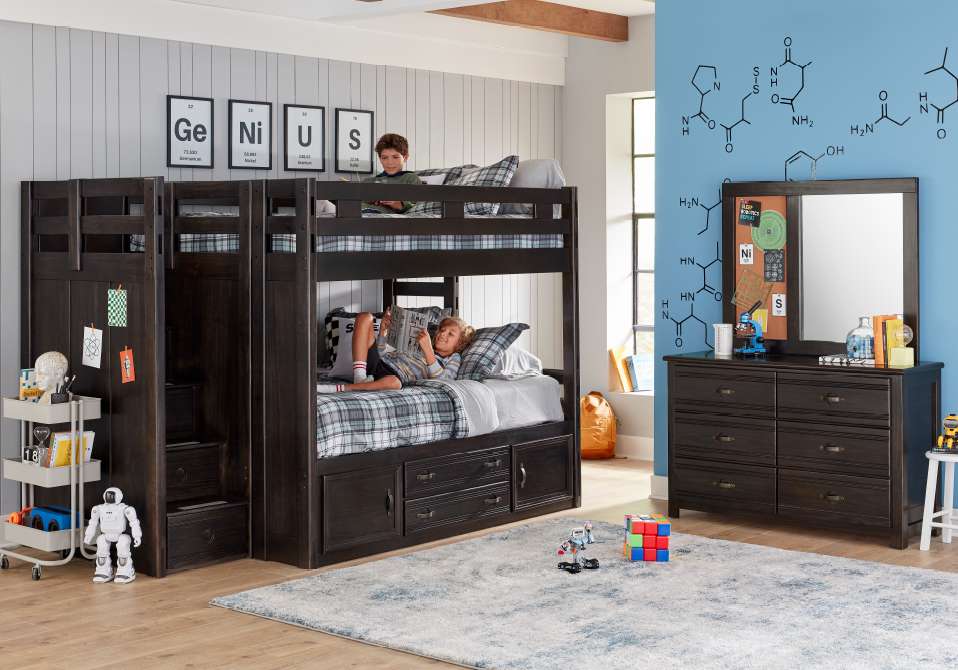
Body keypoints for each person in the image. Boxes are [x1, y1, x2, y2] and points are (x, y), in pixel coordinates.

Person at [317, 310, 474, 393]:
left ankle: (345, 388)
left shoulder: (453, 357)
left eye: (450, 334)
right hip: (380, 363)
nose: (443, 334)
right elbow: (382, 353)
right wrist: (383, 332)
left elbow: (445, 380)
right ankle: (360, 379)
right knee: (365, 317)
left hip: (393, 376)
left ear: (459, 344)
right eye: (442, 330)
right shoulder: (420, 344)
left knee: (395, 384)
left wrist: (428, 351)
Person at [361, 133, 422, 213]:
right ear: (380, 159)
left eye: (395, 157)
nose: (390, 162)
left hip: (382, 215)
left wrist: (399, 204)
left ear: (405, 157)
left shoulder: (410, 178)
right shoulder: (369, 181)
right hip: (359, 213)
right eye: (385, 158)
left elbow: (416, 205)